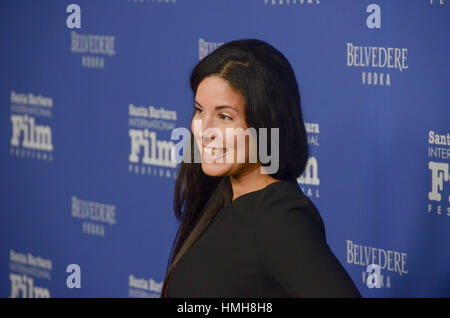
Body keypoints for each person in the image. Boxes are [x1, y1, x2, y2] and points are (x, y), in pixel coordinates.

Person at [160, 39, 361, 298]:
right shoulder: (220, 196)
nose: (203, 131)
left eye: (224, 116)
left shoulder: (280, 218)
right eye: (200, 111)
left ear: (266, 124)